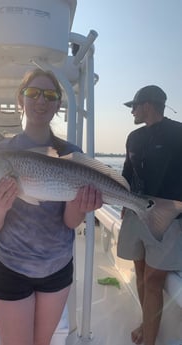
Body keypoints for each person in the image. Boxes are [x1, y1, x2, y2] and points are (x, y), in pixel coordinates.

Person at [0, 68, 103, 345]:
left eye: (49, 95)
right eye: (32, 93)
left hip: (56, 268)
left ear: (58, 105)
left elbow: (71, 223)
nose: (40, 100)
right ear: (20, 100)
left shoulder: (72, 154)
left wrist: (81, 206)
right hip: (9, 266)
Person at [117, 85, 182, 345]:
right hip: (135, 212)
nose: (131, 111)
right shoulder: (133, 137)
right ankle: (147, 322)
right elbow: (127, 172)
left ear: (147, 105)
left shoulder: (178, 133)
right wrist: (122, 199)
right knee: (140, 269)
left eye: (134, 106)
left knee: (153, 280)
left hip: (169, 220)